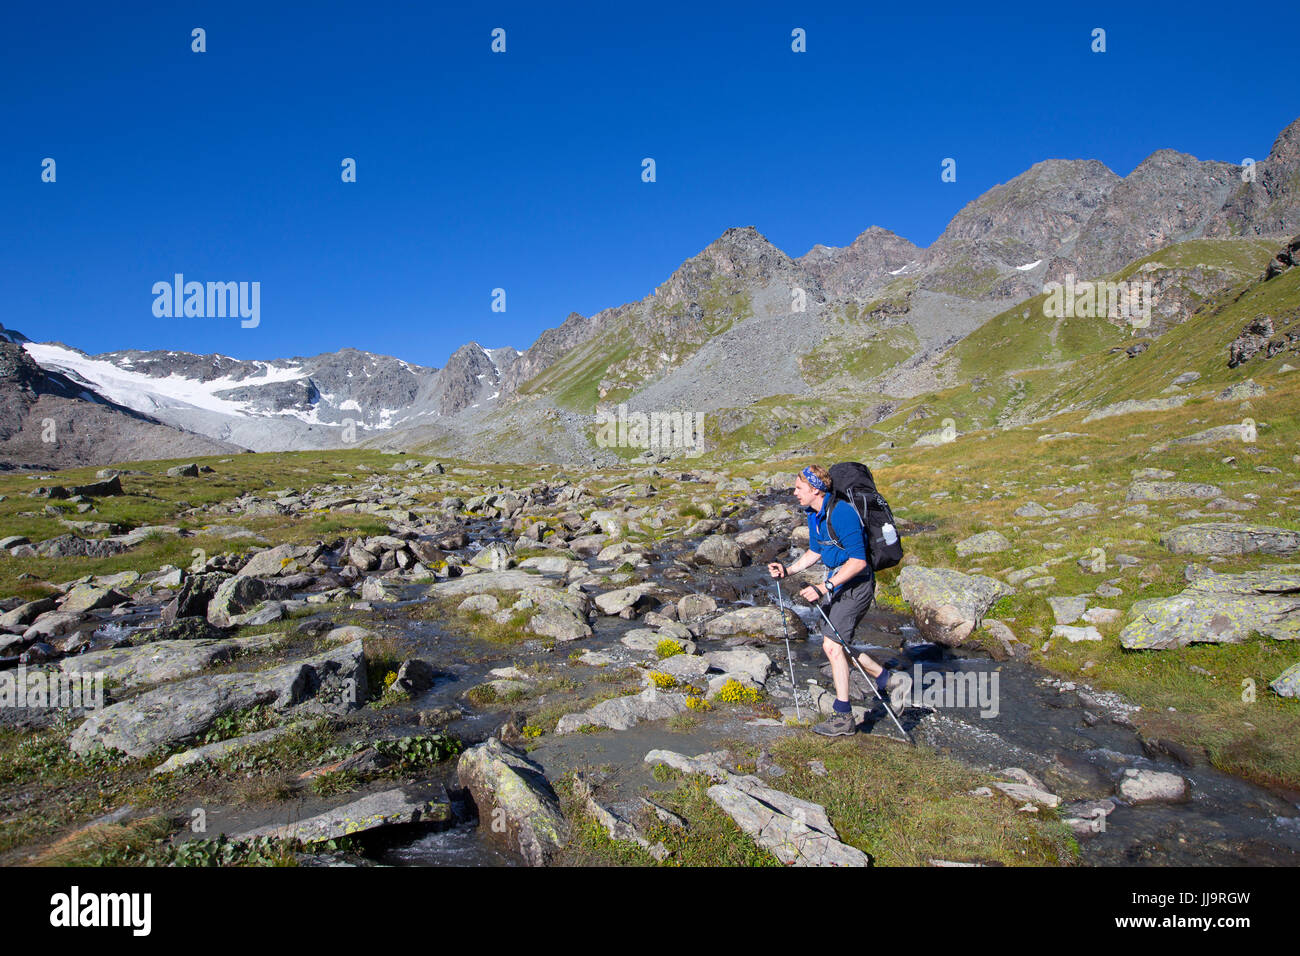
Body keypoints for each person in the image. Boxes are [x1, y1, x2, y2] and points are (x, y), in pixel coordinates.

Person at [768, 464, 911, 736]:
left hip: (856, 585)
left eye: (799, 488)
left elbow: (858, 562)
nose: (794, 492)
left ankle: (843, 716)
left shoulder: (842, 513)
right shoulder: (813, 513)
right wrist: (788, 570)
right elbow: (815, 550)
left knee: (833, 647)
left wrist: (823, 587)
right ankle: (888, 680)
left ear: (814, 489)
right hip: (837, 583)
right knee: (838, 645)